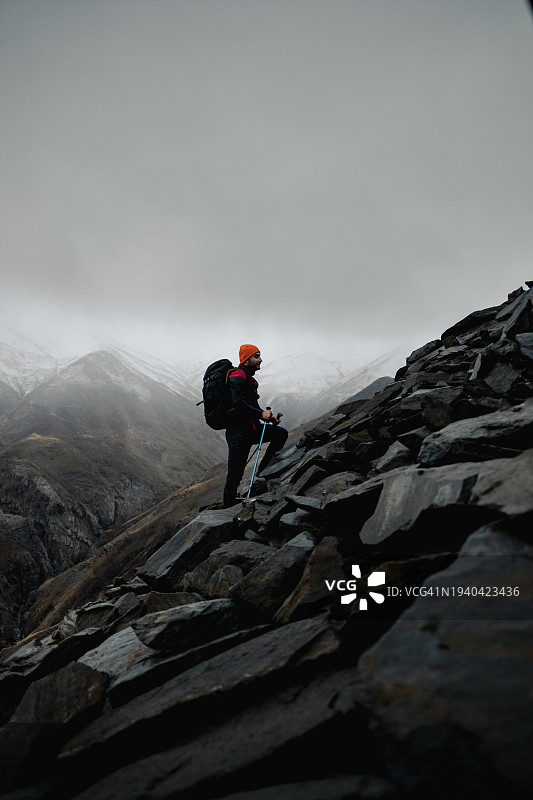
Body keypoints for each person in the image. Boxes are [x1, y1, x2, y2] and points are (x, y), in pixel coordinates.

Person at [223, 344, 288, 508]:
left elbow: (250, 405)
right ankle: (228, 508)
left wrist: (269, 418)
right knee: (235, 474)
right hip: (238, 433)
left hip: (251, 429)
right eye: (256, 356)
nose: (260, 360)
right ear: (246, 360)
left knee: (280, 434)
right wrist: (260, 414)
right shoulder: (237, 377)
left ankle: (262, 472)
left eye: (259, 356)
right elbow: (238, 404)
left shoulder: (247, 379)